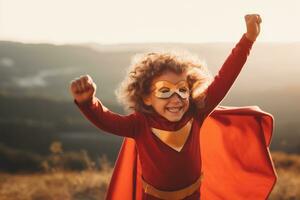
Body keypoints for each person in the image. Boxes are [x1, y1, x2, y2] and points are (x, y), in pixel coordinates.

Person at [70, 14, 277, 200]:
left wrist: (248, 39)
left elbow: (225, 78)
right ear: (146, 97)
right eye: (164, 91)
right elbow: (107, 121)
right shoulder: (139, 124)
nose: (176, 98)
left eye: (182, 89)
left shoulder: (196, 112)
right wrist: (88, 103)